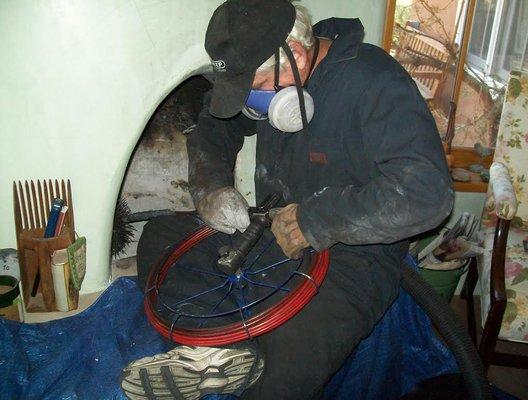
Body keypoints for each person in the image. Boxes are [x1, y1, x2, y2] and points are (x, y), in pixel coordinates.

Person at [120, 1, 454, 399]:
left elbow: (427, 194)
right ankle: (217, 355)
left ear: (294, 55)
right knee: (160, 238)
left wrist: (315, 221)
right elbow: (213, 127)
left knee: (281, 375)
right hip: (272, 226)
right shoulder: (274, 73)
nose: (253, 102)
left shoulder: (374, 82)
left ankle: (232, 356)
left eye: (257, 89)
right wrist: (211, 187)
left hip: (352, 250)